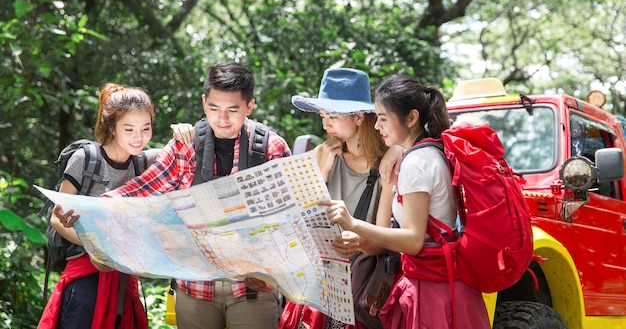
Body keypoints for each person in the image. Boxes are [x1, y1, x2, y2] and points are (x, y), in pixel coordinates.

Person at [56, 62, 291, 329]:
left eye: (232, 110)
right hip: (194, 287)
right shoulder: (187, 146)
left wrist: (275, 273)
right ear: (204, 102)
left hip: (253, 288)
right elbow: (142, 190)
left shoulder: (271, 148)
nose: (222, 119)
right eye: (214, 108)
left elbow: (287, 219)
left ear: (249, 107)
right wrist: (87, 210)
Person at [320, 74, 490, 329]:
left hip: (434, 290)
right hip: (445, 285)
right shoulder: (431, 151)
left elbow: (413, 240)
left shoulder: (416, 163)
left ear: (410, 118)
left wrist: (352, 224)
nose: (376, 126)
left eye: (383, 119)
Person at [280, 68, 394, 329]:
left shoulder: (387, 164)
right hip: (316, 289)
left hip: (357, 289)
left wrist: (360, 241)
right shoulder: (321, 154)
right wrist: (322, 170)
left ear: (358, 117)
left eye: (332, 116)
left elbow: (383, 239)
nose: (325, 124)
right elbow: (300, 223)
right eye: (322, 116)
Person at [38, 83, 159, 329]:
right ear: (111, 127)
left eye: (146, 128)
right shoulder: (86, 159)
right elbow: (55, 218)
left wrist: (186, 131)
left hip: (124, 277)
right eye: (129, 129)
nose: (139, 137)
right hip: (86, 271)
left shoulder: (143, 163)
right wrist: (97, 248)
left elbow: (181, 152)